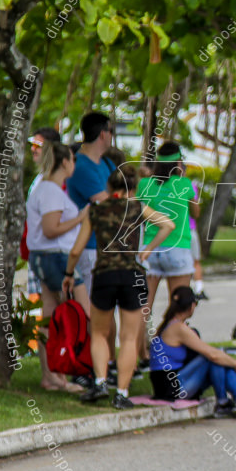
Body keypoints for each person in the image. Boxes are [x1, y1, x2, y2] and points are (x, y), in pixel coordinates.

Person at [63, 166, 175, 409]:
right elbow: (168, 225)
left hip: (104, 276)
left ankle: (101, 382)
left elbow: (75, 250)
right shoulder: (137, 208)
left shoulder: (96, 210)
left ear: (108, 188)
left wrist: (69, 273)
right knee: (128, 337)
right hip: (132, 276)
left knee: (100, 334)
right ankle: (122, 394)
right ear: (132, 188)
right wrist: (147, 250)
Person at [26, 143, 89, 393]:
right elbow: (51, 229)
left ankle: (53, 374)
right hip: (56, 257)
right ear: (65, 162)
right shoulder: (51, 191)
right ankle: (79, 368)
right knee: (84, 314)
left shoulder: (44, 188)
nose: (74, 165)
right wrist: (80, 218)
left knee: (49, 317)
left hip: (43, 256)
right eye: (73, 159)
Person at [149, 287, 236, 418]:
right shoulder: (178, 328)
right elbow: (212, 354)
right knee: (213, 358)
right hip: (170, 388)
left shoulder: (169, 325)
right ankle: (223, 403)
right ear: (192, 306)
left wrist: (229, 362)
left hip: (170, 385)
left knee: (219, 362)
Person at [137, 141, 198, 311]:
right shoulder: (184, 184)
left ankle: (140, 338)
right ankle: (169, 337)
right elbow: (196, 213)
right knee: (178, 309)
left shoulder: (144, 184)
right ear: (178, 162)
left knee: (143, 309)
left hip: (149, 250)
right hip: (178, 248)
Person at [66, 112, 116, 293]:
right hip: (89, 248)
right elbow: (110, 203)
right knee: (94, 311)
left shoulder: (107, 163)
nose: (112, 136)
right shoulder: (81, 166)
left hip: (105, 247)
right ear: (103, 134)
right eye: (111, 131)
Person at [26, 128, 63, 297]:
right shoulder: (40, 178)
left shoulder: (58, 178)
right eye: (32, 144)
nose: (33, 149)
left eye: (37, 145)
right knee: (40, 305)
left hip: (53, 252)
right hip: (38, 249)